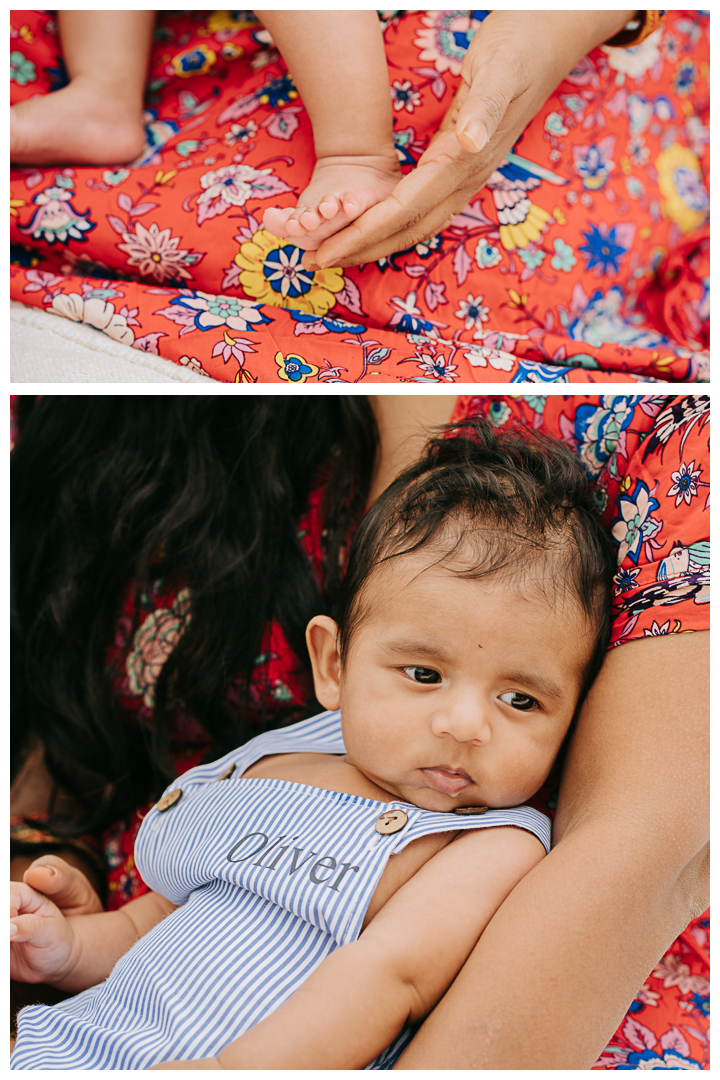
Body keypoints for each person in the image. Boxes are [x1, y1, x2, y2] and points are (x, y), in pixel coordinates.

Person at [11, 395, 709, 1069]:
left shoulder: (489, 849)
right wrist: (70, 949)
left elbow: (388, 977)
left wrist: (240, 1069)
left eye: (521, 700)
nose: (466, 726)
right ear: (334, 664)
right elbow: (155, 921)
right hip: (77, 1043)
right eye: (425, 676)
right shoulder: (264, 769)